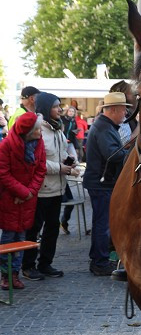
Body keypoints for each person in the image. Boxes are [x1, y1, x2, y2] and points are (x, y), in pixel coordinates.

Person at [22, 92, 80, 280]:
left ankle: (46, 263)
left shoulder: (57, 129)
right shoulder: (37, 130)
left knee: (52, 228)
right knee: (34, 229)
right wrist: (61, 168)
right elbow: (36, 162)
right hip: (40, 190)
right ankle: (28, 265)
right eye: (55, 106)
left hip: (57, 189)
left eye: (59, 106)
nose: (59, 109)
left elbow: (61, 152)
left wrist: (71, 162)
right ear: (46, 109)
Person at [83, 91, 131, 275]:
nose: (125, 114)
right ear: (114, 109)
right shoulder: (104, 128)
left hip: (101, 182)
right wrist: (129, 153)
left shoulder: (104, 126)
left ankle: (99, 259)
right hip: (101, 183)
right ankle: (99, 262)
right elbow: (112, 155)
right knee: (103, 225)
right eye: (123, 110)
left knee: (102, 223)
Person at [0, 112, 46, 290]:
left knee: (21, 239)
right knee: (9, 240)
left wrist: (29, 193)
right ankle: (6, 276)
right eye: (37, 128)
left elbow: (40, 169)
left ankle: (15, 274)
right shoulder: (6, 146)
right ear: (28, 131)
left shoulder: (38, 143)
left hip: (27, 200)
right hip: (9, 199)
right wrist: (21, 191)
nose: (40, 131)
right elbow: (3, 173)